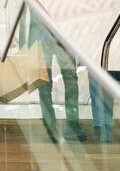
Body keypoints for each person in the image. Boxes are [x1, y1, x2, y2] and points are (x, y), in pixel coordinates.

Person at [23, 10, 86, 143]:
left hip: (63, 29)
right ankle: (51, 127)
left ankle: (72, 125)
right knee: (44, 84)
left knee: (70, 78)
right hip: (41, 33)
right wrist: (23, 42)